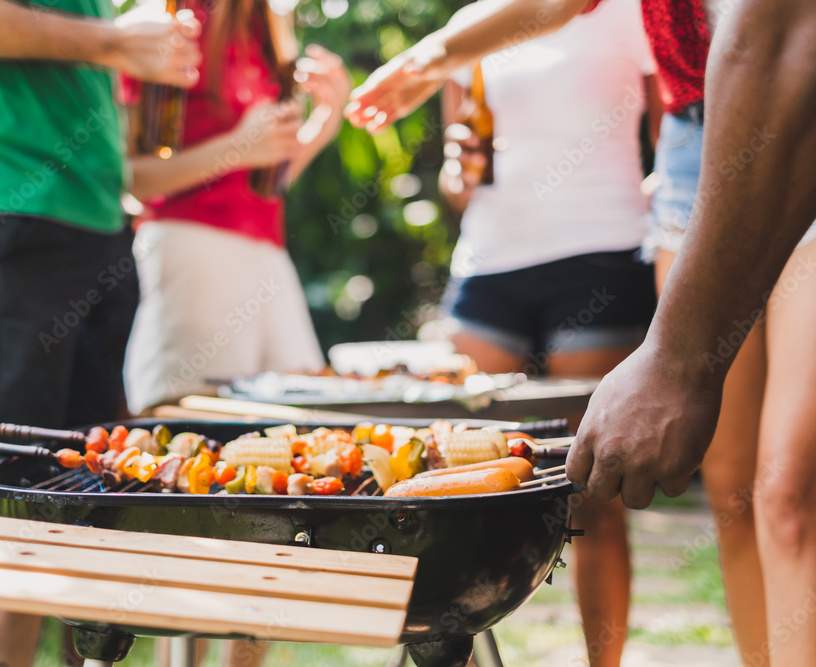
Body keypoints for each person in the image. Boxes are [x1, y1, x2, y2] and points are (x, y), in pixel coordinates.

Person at [344, 0, 816, 665]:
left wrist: (673, 359)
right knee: (734, 487)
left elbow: (773, 33)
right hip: (693, 141)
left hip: (795, 94)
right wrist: (428, 59)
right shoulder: (484, 29)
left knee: (791, 486)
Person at [0, 1, 201, 665]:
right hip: (4, 210)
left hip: (97, 226)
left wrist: (128, 37)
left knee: (48, 507)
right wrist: (114, 41)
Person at [436, 2, 658, 663]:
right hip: (489, 263)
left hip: (599, 253)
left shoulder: (629, 13)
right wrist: (458, 172)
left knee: (591, 491)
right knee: (457, 479)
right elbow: (457, 185)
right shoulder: (472, 23)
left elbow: (681, 126)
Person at [120, 0, 351, 415]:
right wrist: (236, 148)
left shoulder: (265, 26)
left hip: (266, 255)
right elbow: (133, 177)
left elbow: (265, 182)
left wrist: (326, 119)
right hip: (191, 247)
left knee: (305, 418)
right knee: (190, 424)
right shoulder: (179, 19)